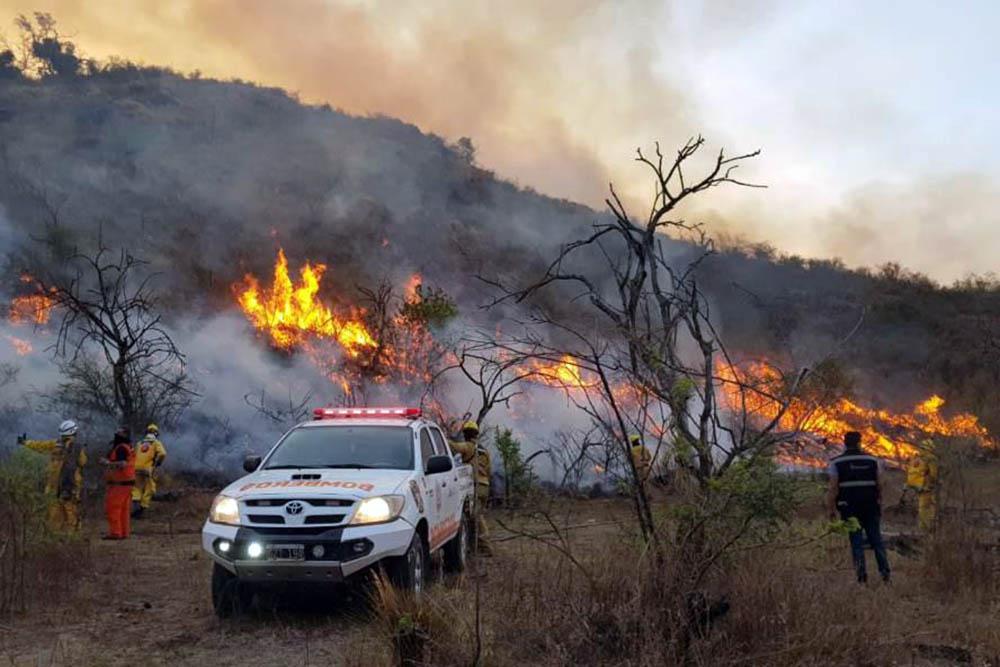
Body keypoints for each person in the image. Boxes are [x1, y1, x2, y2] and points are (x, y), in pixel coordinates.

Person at [827, 431, 891, 583]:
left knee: (856, 541)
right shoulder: (872, 460)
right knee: (876, 540)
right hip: (870, 506)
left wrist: (831, 509)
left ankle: (861, 576)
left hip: (849, 507)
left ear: (844, 443)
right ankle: (885, 574)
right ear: (859, 443)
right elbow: (880, 484)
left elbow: (833, 488)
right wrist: (880, 502)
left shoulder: (836, 463)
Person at [18, 420, 87, 533]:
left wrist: (25, 442)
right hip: (70, 484)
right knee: (70, 510)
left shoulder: (55, 444)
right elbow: (83, 462)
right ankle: (70, 537)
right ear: (74, 433)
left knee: (54, 512)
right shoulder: (78, 448)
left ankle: (54, 536)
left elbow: (39, 446)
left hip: (53, 484)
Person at [449, 420, 492, 555]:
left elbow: (455, 447)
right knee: (475, 515)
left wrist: (444, 438)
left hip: (476, 486)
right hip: (485, 485)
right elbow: (489, 469)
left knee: (477, 516)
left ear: (466, 434)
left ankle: (485, 547)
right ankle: (475, 546)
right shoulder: (483, 450)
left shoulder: (468, 446)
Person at [101, 425, 136, 540]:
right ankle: (123, 533)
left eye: (119, 432)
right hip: (128, 482)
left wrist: (107, 463)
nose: (116, 434)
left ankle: (115, 533)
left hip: (120, 484)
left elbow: (122, 464)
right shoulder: (128, 446)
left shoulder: (121, 448)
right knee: (124, 510)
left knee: (113, 507)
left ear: (125, 434)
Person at [132, 423, 167, 518]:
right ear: (156, 433)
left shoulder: (139, 443)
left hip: (136, 468)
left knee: (136, 488)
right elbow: (163, 454)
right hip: (147, 469)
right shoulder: (156, 443)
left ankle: (135, 506)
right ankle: (141, 508)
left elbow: (133, 454)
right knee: (150, 489)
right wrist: (157, 463)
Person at [911, 438, 939, 533]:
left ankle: (922, 527)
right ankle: (928, 528)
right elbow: (933, 474)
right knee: (930, 508)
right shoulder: (931, 458)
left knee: (922, 508)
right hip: (928, 487)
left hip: (919, 487)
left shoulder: (917, 458)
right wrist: (934, 483)